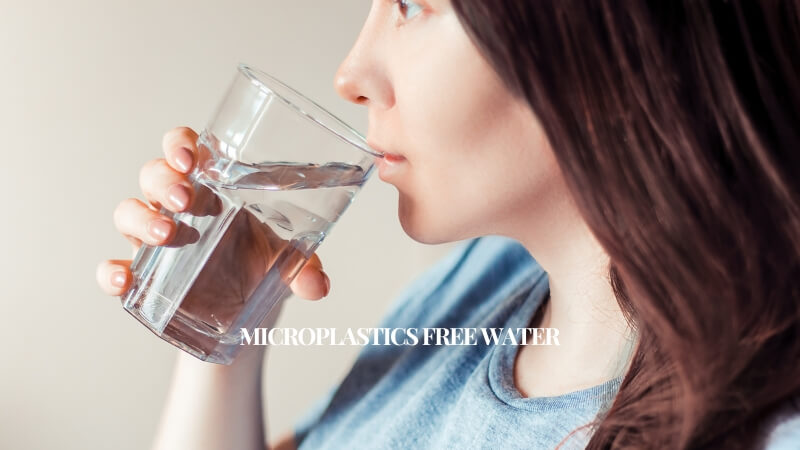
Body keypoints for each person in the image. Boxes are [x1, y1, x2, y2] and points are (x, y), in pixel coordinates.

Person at [96, 0, 800, 448]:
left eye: (409, 5)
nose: (351, 73)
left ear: (606, 42)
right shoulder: (481, 283)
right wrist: (226, 340)